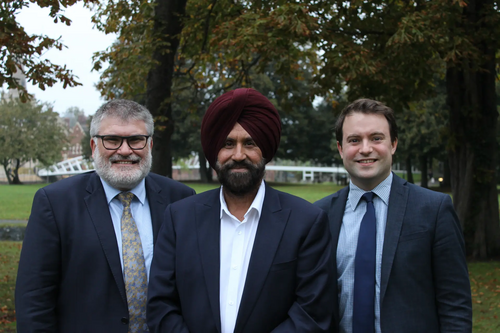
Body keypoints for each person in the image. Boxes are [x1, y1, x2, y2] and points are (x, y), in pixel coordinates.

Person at [147, 88, 334, 333]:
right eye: (227, 144)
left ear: (265, 150)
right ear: (214, 151)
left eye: (250, 143)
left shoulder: (306, 222)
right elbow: (161, 306)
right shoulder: (179, 218)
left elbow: (312, 314)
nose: (238, 155)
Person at [15, 99, 195, 333]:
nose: (124, 150)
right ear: (93, 146)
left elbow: (194, 287)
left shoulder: (181, 199)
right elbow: (34, 300)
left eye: (135, 140)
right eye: (112, 140)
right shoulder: (55, 204)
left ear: (149, 145)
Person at [315, 98, 472, 333]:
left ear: (393, 144)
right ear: (340, 148)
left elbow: (455, 305)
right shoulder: (319, 215)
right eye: (354, 140)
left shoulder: (434, 209)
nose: (365, 148)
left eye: (376, 138)